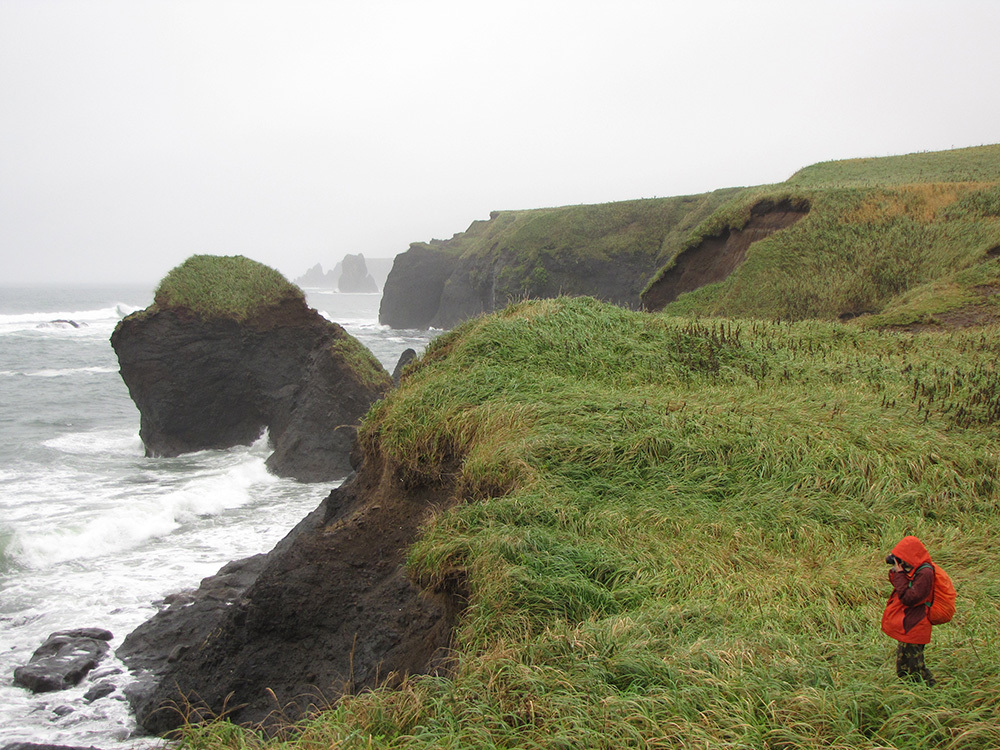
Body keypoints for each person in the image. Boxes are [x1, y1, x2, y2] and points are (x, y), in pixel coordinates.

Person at [881, 535, 936, 685]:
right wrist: (899, 571)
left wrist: (900, 574)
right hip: (909, 623)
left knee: (915, 667)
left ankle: (927, 693)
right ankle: (911, 692)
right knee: (904, 666)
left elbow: (909, 598)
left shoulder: (925, 573)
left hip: (916, 624)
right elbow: (901, 589)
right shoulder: (915, 569)